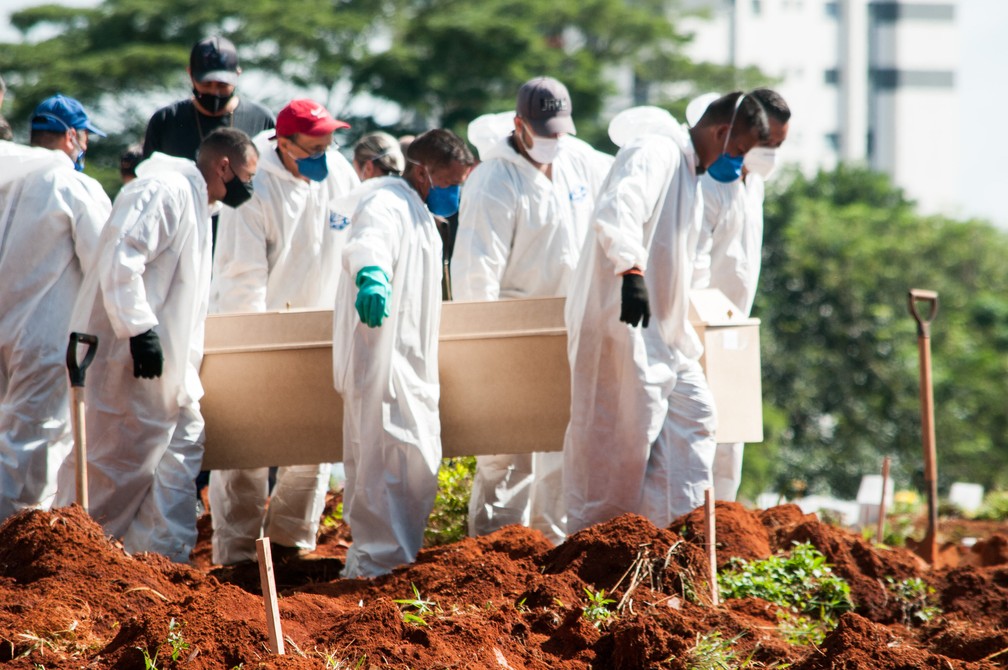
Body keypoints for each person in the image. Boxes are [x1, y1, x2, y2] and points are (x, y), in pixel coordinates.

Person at [563, 92, 769, 534]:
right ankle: (591, 552)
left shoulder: (691, 177)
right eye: (737, 150)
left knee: (695, 419)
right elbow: (619, 209)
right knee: (615, 447)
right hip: (622, 323)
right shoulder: (657, 150)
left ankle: (669, 544)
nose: (737, 162)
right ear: (720, 133)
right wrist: (630, 268)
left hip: (665, 334)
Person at [54, 128, 259, 563]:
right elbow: (122, 257)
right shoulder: (163, 190)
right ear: (224, 166)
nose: (249, 188)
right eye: (247, 175)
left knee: (179, 454)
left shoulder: (199, 204)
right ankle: (76, 562)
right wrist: (139, 329)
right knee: (114, 468)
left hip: (168, 370)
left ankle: (162, 564)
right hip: (126, 361)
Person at [453, 77, 613, 546]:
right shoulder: (493, 180)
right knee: (506, 451)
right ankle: (494, 555)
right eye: (544, 133)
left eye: (560, 132)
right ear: (519, 125)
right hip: (511, 328)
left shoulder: (575, 162)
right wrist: (482, 347)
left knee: (564, 443)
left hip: (570, 323)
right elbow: (476, 270)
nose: (553, 142)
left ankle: (553, 548)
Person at [207, 100, 360, 566]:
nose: (324, 154)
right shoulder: (255, 191)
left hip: (321, 328)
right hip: (262, 331)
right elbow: (242, 277)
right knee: (247, 448)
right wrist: (254, 349)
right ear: (284, 144)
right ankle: (236, 555)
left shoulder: (339, 175)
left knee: (312, 444)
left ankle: (293, 544)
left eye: (329, 144)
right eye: (314, 147)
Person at [333, 129, 474, 578]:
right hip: (381, 359)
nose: (455, 192)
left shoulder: (419, 211)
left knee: (414, 462)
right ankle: (374, 569)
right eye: (450, 182)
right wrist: (372, 275)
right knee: (381, 464)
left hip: (410, 361)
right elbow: (369, 241)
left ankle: (394, 563)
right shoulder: (387, 202)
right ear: (421, 171)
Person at [0, 95, 112, 521]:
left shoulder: (9, 182)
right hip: (44, 339)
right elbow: (104, 261)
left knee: (8, 444)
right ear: (71, 137)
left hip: (6, 328)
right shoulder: (74, 185)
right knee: (33, 454)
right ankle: (17, 554)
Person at [691, 88, 791, 502]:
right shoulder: (708, 186)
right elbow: (693, 265)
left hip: (735, 327)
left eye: (779, 146)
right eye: (765, 143)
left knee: (731, 443)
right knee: (694, 437)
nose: (769, 154)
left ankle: (725, 535)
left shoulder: (756, 187)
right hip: (697, 329)